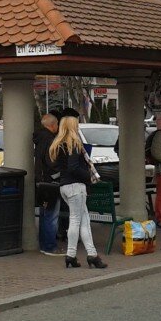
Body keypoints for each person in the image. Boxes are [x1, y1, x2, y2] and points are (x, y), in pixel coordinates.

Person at [49, 115, 106, 269]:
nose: (78, 126)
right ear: (72, 127)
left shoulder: (58, 144)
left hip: (64, 186)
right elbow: (73, 167)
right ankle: (76, 255)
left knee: (83, 220)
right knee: (76, 221)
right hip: (76, 186)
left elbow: (57, 167)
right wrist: (88, 176)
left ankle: (88, 255)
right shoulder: (73, 143)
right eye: (76, 124)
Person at [33, 113, 62, 256]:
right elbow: (52, 163)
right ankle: (50, 246)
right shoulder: (51, 140)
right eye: (57, 124)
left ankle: (44, 244)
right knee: (52, 215)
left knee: (44, 214)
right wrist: (59, 174)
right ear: (53, 125)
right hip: (51, 182)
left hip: (41, 181)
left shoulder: (39, 139)